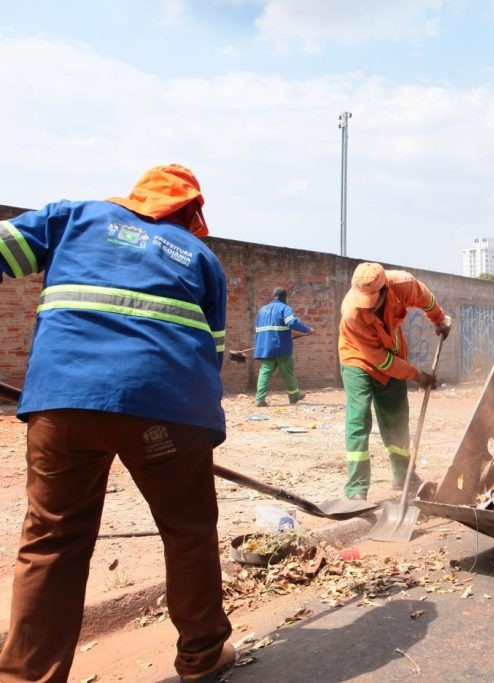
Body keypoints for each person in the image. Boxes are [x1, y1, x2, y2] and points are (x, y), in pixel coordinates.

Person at [0, 165, 235, 682]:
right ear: (191, 213)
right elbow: (210, 357)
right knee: (188, 531)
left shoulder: (73, 217)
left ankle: (26, 678)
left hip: (65, 400)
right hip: (168, 409)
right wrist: (191, 433)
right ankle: (202, 657)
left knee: (52, 540)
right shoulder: (200, 257)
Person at [338, 262, 451, 501]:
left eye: (371, 301)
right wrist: (416, 375)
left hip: (393, 354)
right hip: (357, 358)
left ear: (384, 290)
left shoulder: (402, 284)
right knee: (359, 417)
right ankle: (356, 488)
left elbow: (426, 299)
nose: (367, 307)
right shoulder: (351, 314)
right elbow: (379, 360)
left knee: (397, 418)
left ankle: (402, 475)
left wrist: (439, 319)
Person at [253, 287, 314, 407]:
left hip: (265, 348)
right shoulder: (284, 308)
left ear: (273, 296)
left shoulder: (262, 310)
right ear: (285, 297)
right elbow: (292, 322)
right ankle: (294, 395)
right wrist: (307, 329)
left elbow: (260, 329)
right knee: (287, 371)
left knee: (265, 372)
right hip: (281, 347)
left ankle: (260, 399)